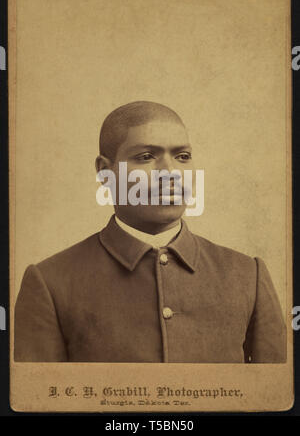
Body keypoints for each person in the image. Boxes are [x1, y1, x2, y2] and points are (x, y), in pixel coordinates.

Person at [14, 101, 286, 363]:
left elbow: (273, 400)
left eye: (183, 157)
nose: (170, 172)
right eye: (145, 157)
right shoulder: (50, 283)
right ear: (105, 172)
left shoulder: (248, 275)